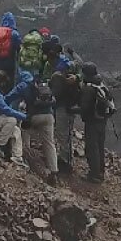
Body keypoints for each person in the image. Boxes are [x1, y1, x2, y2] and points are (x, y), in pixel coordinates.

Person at [7, 70, 58, 184]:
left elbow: (11, 97)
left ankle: (25, 155)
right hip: (49, 116)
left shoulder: (24, 86)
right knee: (49, 142)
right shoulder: (44, 85)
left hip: (34, 116)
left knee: (23, 131)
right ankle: (53, 170)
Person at [44, 44, 81, 175]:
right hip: (62, 103)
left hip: (65, 105)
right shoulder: (64, 64)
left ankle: (67, 163)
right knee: (62, 133)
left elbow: (57, 91)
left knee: (64, 133)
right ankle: (64, 158)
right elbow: (80, 63)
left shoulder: (63, 68)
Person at [79, 62, 113, 182]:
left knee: (91, 147)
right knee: (99, 146)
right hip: (102, 120)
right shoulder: (101, 84)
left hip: (92, 121)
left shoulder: (89, 88)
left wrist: (75, 110)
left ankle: (94, 175)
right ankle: (100, 172)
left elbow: (85, 107)